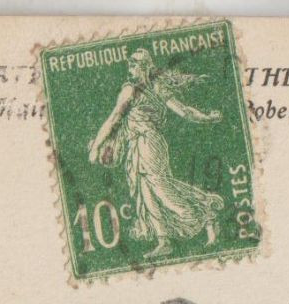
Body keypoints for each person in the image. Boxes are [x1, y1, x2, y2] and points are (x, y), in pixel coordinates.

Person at [89, 49, 226, 259]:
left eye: (134, 65)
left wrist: (96, 146)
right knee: (147, 192)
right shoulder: (138, 88)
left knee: (161, 188)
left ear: (144, 66)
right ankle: (164, 241)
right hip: (138, 145)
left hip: (149, 143)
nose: (130, 69)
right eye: (129, 65)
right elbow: (115, 119)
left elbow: (183, 111)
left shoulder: (143, 89)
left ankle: (207, 213)